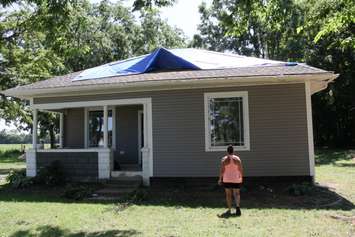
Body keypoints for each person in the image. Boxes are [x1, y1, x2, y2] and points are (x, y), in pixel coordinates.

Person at [218, 145, 243, 217]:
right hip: (236, 179)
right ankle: (237, 207)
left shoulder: (224, 159)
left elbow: (222, 171)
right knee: (237, 194)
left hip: (227, 179)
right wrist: (241, 177)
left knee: (228, 195)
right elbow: (240, 169)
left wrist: (220, 179)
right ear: (233, 151)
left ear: (227, 151)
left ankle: (229, 209)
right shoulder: (237, 159)